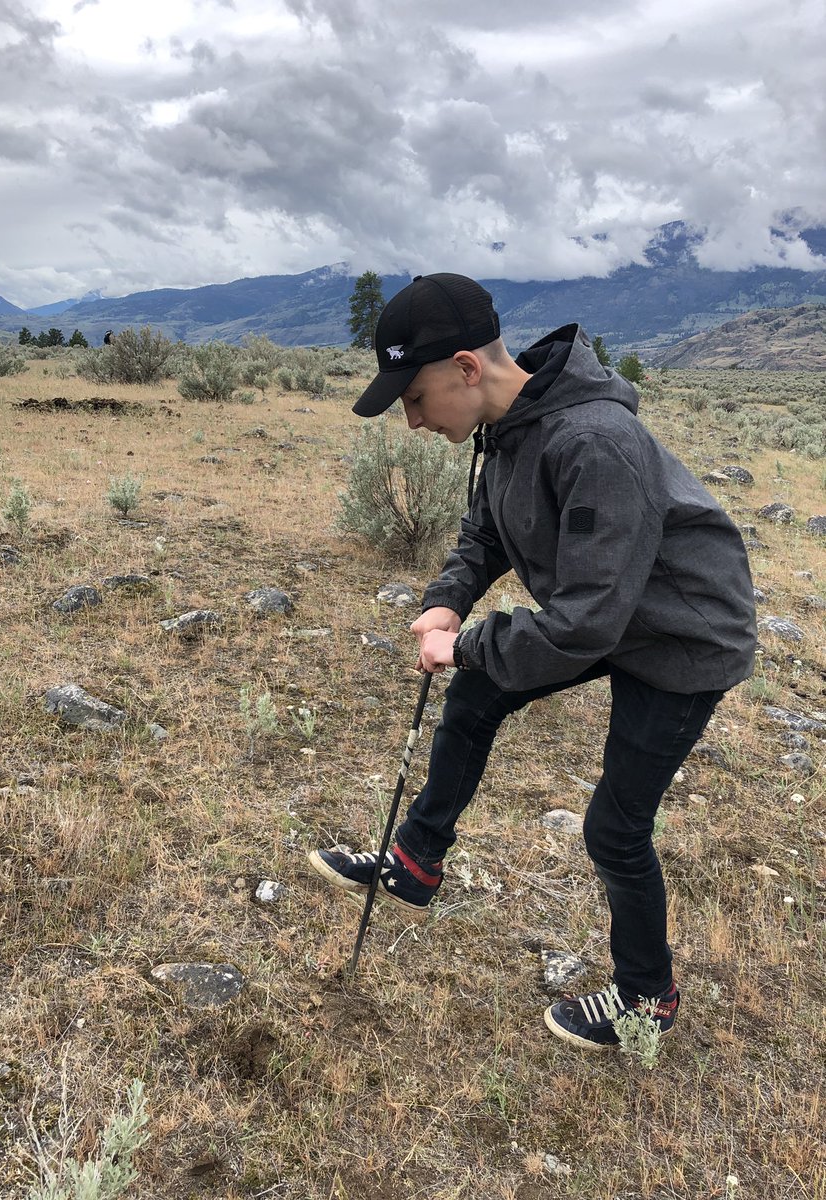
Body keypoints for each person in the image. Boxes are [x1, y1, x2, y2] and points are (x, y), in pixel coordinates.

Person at [308, 273, 757, 1052]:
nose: (411, 420)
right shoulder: (511, 429)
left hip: (684, 639)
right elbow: (486, 533)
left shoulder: (594, 441)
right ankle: (416, 863)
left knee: (615, 828)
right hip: (615, 613)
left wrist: (469, 643)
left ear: (466, 368)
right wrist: (450, 599)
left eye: (414, 397)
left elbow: (584, 622)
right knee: (478, 692)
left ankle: (649, 998)